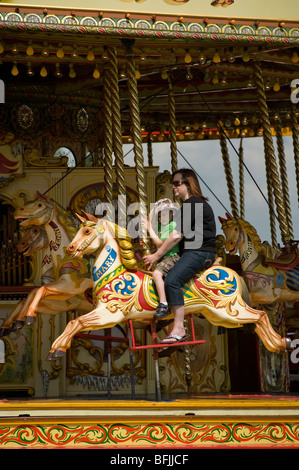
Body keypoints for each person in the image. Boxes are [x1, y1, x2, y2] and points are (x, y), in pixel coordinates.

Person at [143, 168, 216, 346]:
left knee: (172, 280)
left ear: (188, 184)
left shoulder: (194, 204)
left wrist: (156, 256)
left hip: (199, 252)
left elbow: (176, 235)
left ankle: (179, 329)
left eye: (177, 183)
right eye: (172, 184)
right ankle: (168, 317)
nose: (173, 187)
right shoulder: (189, 206)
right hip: (191, 252)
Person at [143, 198, 180, 318]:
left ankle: (163, 304)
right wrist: (154, 207)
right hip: (163, 258)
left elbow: (160, 244)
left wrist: (149, 229)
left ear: (171, 214)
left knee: (157, 274)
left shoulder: (172, 225)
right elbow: (149, 220)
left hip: (172, 257)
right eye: (160, 215)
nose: (162, 217)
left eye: (165, 214)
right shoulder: (159, 225)